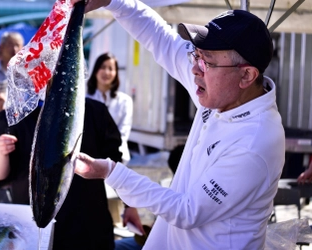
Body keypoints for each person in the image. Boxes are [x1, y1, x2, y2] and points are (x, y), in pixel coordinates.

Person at [72, 0, 286, 249]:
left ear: (247, 75)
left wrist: (111, 172)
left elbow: (187, 211)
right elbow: (161, 38)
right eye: (196, 55)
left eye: (207, 61)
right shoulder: (222, 92)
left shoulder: (255, 142)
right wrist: (114, 2)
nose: (195, 68)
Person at [0, 97, 143, 250]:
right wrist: (1, 152)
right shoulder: (14, 115)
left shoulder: (95, 111)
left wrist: (129, 204)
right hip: (33, 229)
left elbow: (114, 164)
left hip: (88, 227)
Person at [86, 52, 133, 164]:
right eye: (103, 67)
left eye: (111, 68)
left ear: (116, 73)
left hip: (116, 158)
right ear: (95, 69)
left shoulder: (125, 101)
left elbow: (123, 133)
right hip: (88, 157)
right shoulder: (84, 99)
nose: (106, 72)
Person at [0, 32, 24, 112]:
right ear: (1, 47)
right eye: (11, 45)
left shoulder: (26, 73)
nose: (14, 49)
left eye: (17, 45)